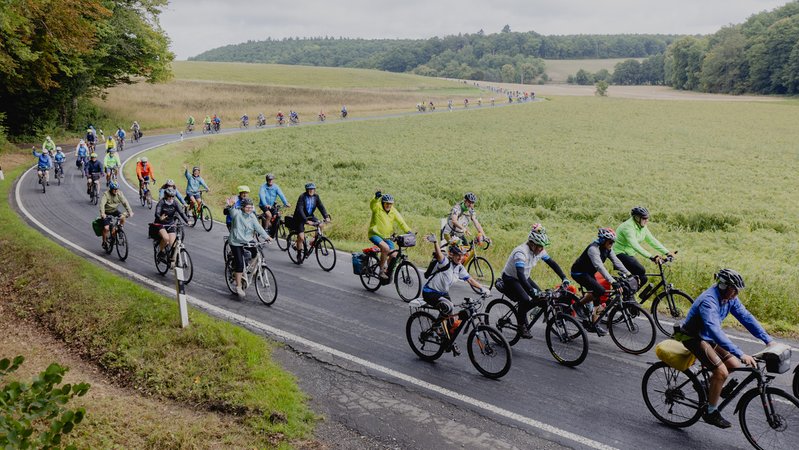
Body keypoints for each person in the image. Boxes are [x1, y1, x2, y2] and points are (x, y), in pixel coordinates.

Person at [678, 269, 776, 429]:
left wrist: (768, 340)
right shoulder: (709, 301)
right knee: (721, 372)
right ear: (724, 286)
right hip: (693, 337)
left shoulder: (729, 298)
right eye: (734, 289)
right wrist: (741, 353)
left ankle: (709, 388)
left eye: (737, 290)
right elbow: (714, 331)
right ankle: (710, 412)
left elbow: (746, 317)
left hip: (707, 337)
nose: (736, 294)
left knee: (735, 364)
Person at [501, 224, 570, 339]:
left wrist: (564, 277)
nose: (541, 249)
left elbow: (552, 263)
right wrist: (531, 291)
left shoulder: (539, 250)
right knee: (525, 299)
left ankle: (523, 312)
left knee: (543, 300)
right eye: (539, 246)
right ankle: (521, 324)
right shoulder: (521, 252)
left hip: (525, 276)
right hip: (511, 278)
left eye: (543, 246)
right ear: (532, 244)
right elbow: (520, 275)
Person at [422, 236, 488, 340]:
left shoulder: (459, 267)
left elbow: (470, 280)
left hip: (443, 293)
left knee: (451, 320)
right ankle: (435, 327)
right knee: (448, 307)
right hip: (430, 292)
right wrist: (435, 243)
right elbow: (439, 255)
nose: (460, 258)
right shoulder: (445, 263)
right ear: (451, 254)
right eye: (458, 255)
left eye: (462, 255)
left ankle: (446, 340)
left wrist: (482, 288)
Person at [570, 228, 631, 336]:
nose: (612, 244)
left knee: (597, 294)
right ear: (603, 240)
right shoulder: (593, 249)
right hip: (579, 273)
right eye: (610, 242)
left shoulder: (608, 249)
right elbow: (600, 267)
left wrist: (629, 274)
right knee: (600, 290)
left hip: (589, 273)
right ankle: (578, 305)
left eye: (613, 242)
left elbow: (616, 262)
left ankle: (594, 324)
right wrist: (612, 281)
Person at [613, 206, 674, 288]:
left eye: (647, 218)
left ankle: (628, 297)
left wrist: (667, 252)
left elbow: (652, 240)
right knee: (641, 270)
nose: (647, 220)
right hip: (619, 253)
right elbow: (635, 245)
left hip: (629, 254)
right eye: (644, 218)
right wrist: (651, 257)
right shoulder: (628, 227)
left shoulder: (642, 227)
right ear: (637, 218)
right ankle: (626, 297)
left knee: (643, 279)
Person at [225, 197, 271, 297]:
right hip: (236, 242)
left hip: (247, 240)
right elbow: (232, 211)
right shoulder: (237, 213)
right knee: (240, 264)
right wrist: (231, 205)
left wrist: (266, 236)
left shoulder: (252, 216)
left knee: (255, 253)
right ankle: (238, 286)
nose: (249, 209)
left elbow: (258, 227)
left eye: (251, 207)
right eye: (247, 207)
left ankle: (246, 268)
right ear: (242, 207)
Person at [368, 192, 412, 279]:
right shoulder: (377, 207)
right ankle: (381, 270)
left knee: (394, 255)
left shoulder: (393, 211)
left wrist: (409, 231)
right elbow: (372, 204)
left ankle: (387, 270)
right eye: (387, 203)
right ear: (383, 203)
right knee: (386, 248)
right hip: (375, 234)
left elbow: (401, 222)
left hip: (387, 237)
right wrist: (375, 198)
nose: (388, 205)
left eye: (390, 204)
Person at [291, 183, 330, 261]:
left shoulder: (316, 197)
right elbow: (300, 209)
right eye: (309, 189)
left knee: (321, 224)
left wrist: (326, 216)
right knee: (301, 238)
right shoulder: (302, 197)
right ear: (306, 190)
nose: (311, 191)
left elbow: (321, 207)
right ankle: (299, 254)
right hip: (299, 218)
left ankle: (313, 241)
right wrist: (306, 221)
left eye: (313, 189)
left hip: (310, 216)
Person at [153, 188, 189, 259]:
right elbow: (157, 213)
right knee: (166, 239)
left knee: (173, 244)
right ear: (166, 196)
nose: (171, 198)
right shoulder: (161, 202)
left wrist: (187, 221)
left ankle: (172, 259)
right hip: (160, 224)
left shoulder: (175, 203)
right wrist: (160, 217)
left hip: (170, 224)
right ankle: (161, 251)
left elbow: (181, 212)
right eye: (169, 196)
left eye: (173, 196)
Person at [99, 181, 133, 250]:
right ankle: (104, 242)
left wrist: (130, 211)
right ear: (111, 189)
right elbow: (102, 204)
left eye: (117, 189)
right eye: (114, 189)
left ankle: (120, 229)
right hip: (106, 212)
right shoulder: (106, 194)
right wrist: (102, 213)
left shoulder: (119, 194)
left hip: (114, 211)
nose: (116, 190)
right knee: (106, 228)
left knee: (123, 217)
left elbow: (125, 202)